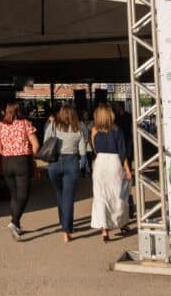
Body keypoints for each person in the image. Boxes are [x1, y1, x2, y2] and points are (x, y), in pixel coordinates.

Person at [0, 101, 40, 241]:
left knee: (14, 195)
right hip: (22, 161)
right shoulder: (25, 124)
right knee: (24, 195)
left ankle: (17, 226)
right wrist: (31, 156)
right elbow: (36, 145)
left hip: (6, 162)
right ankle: (14, 222)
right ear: (20, 111)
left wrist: (9, 152)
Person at [91, 102, 132, 241]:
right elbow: (122, 152)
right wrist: (127, 169)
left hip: (100, 162)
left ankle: (104, 230)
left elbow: (95, 150)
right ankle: (122, 223)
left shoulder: (94, 130)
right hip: (114, 162)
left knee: (101, 197)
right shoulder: (117, 130)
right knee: (118, 195)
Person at [47, 105, 86, 243]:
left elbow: (46, 141)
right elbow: (82, 151)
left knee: (60, 194)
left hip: (55, 163)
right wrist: (83, 166)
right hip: (72, 162)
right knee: (68, 197)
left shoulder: (53, 126)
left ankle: (63, 222)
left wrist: (51, 124)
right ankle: (66, 230)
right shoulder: (79, 127)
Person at [79, 111, 93, 177]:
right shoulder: (80, 123)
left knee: (89, 157)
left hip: (90, 142)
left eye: (87, 115)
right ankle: (84, 170)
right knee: (83, 156)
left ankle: (87, 170)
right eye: (85, 115)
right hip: (82, 142)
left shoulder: (92, 123)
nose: (86, 116)